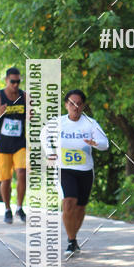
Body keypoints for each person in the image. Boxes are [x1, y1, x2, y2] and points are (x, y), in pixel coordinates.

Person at [41, 89, 109, 256]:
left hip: (85, 170)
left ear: (83, 106)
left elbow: (105, 143)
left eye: (79, 103)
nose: (75, 106)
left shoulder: (90, 123)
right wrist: (50, 152)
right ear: (66, 105)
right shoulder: (58, 122)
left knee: (80, 208)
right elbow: (43, 135)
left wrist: (94, 143)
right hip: (64, 169)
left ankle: (74, 237)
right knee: (69, 202)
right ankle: (71, 241)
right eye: (72, 103)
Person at [0, 67, 27, 224]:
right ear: (6, 80)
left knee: (22, 173)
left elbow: (33, 116)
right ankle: (7, 209)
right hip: (2, 144)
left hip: (20, 143)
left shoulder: (24, 97)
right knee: (6, 180)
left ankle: (19, 207)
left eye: (18, 81)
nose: (15, 85)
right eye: (13, 81)